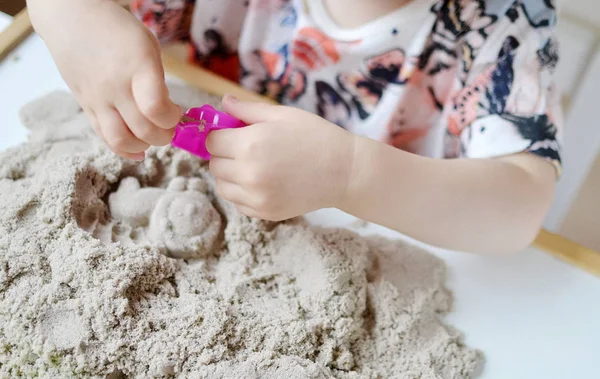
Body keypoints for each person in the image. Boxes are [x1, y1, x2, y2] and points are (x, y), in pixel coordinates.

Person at [27, 0, 562, 254]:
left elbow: (520, 207)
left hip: (385, 230)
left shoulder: (505, 25)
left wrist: (349, 174)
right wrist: (66, 13)